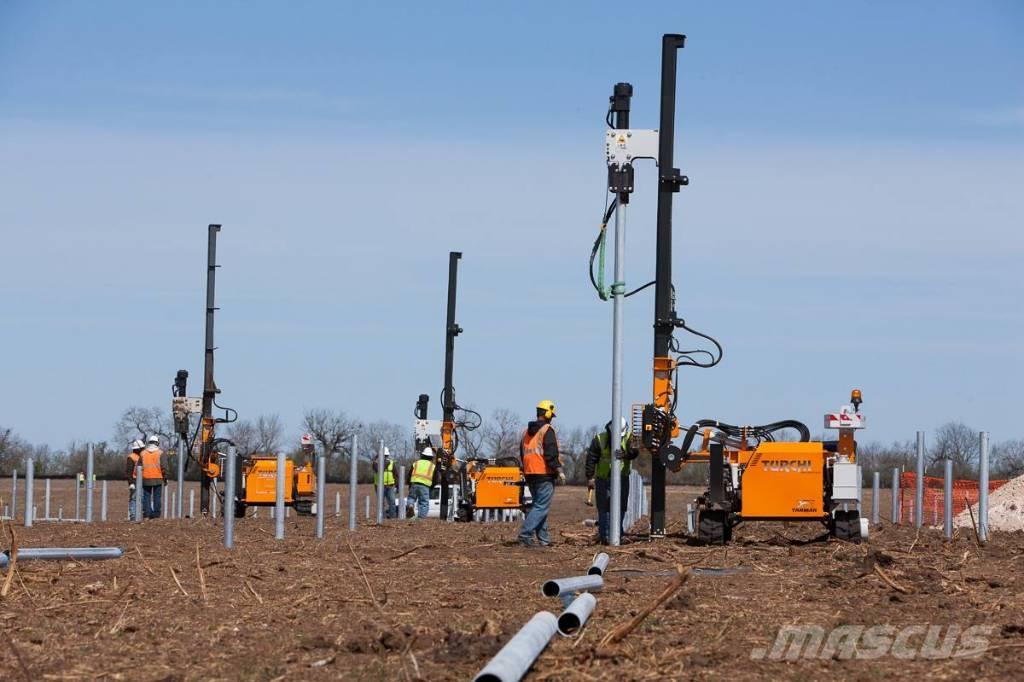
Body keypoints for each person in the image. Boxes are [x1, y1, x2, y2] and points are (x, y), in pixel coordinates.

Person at [585, 417, 640, 544]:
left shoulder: (632, 436)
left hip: (622, 479)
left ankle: (616, 535)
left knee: (620, 507)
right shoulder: (600, 439)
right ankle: (605, 537)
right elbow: (591, 458)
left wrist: (625, 454)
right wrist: (590, 477)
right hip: (603, 479)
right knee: (604, 508)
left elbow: (635, 452)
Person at [518, 400, 565, 547]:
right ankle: (525, 534)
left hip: (530, 473)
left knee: (539, 506)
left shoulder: (526, 432)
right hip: (544, 473)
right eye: (551, 414)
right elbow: (551, 454)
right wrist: (558, 470)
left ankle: (544, 539)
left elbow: (522, 453)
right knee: (541, 507)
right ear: (548, 413)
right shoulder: (547, 430)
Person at [140, 435, 167, 519]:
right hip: (158, 479)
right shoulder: (160, 453)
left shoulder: (143, 453)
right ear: (157, 443)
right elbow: (164, 467)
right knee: (157, 498)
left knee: (146, 498)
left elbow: (138, 467)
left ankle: (147, 515)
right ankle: (156, 515)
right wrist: (165, 478)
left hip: (145, 479)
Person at [408, 447, 436, 519]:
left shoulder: (416, 463)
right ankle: (421, 518)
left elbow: (409, 474)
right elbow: (435, 479)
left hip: (414, 483)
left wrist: (409, 484)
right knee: (423, 503)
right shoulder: (432, 466)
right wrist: (432, 487)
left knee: (411, 497)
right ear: (431, 457)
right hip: (425, 486)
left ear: (422, 455)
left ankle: (410, 505)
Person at [373, 449, 398, 519]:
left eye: (386, 456)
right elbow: (378, 470)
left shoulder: (392, 463)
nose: (386, 457)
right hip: (380, 486)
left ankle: (392, 516)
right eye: (384, 456)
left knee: (392, 502)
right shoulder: (375, 463)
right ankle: (382, 517)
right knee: (381, 503)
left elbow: (396, 475)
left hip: (390, 486)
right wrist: (385, 464)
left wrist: (397, 485)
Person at [126, 439, 143, 512]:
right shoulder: (131, 457)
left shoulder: (142, 456)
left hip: (142, 480)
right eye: (141, 448)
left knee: (142, 498)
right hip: (135, 480)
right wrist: (131, 483)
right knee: (134, 498)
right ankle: (133, 515)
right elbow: (129, 471)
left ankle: (139, 514)